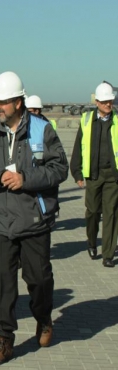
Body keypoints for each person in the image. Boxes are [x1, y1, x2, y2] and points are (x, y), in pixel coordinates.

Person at [0, 71, 68, 365]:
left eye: (3, 102)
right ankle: (3, 341)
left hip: (34, 221)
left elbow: (59, 169)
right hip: (0, 222)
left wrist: (26, 179)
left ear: (19, 103)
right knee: (1, 285)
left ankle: (44, 318)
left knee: (38, 280)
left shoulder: (42, 130)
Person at [70, 81, 118, 267]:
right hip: (93, 175)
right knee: (92, 212)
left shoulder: (116, 120)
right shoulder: (87, 120)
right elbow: (77, 147)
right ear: (97, 102)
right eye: (105, 101)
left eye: (110, 101)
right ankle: (91, 242)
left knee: (111, 212)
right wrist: (77, 173)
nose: (108, 104)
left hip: (113, 176)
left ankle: (108, 254)